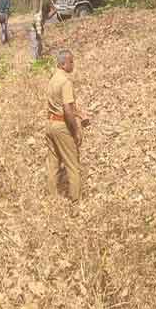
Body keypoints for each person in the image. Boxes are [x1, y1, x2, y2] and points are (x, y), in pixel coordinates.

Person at [46, 49, 89, 202]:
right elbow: (67, 110)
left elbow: (58, 104)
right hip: (61, 125)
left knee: (53, 164)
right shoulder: (65, 82)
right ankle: (76, 201)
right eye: (71, 61)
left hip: (50, 124)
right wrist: (76, 130)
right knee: (72, 164)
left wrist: (79, 114)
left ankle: (52, 199)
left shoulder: (53, 79)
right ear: (63, 64)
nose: (73, 64)